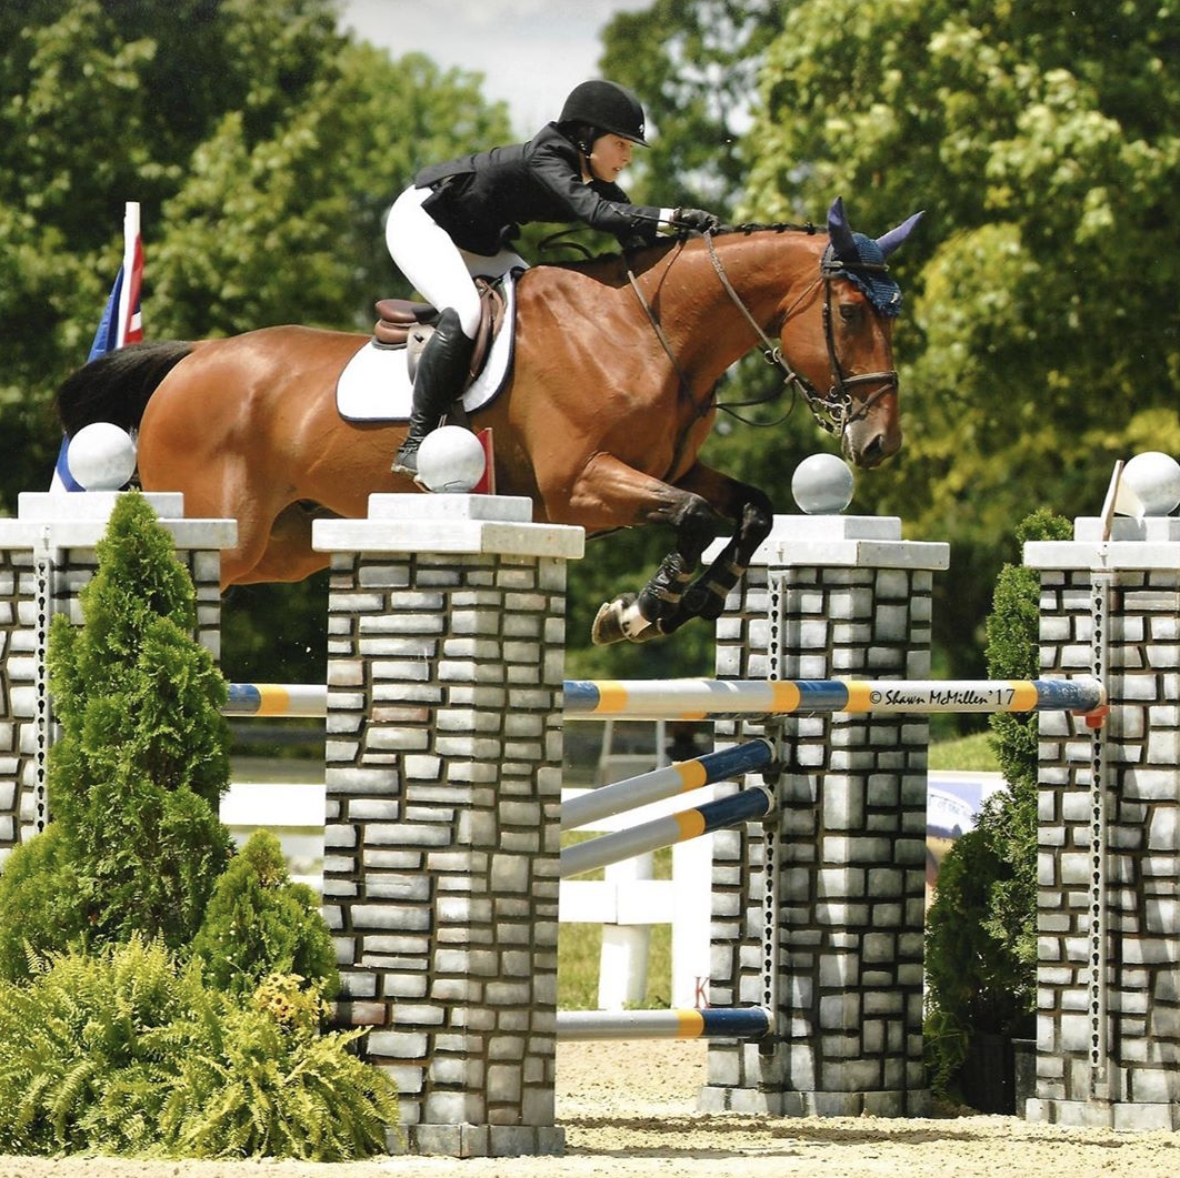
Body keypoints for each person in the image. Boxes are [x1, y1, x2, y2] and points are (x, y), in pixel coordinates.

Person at [384, 79, 721, 476]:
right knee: (468, 313)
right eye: (622, 144)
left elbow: (631, 230)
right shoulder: (548, 157)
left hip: (475, 238)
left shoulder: (590, 176)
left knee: (531, 312)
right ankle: (416, 441)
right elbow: (596, 215)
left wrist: (703, 240)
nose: (628, 157)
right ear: (587, 136)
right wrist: (673, 216)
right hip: (423, 221)